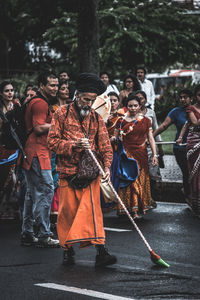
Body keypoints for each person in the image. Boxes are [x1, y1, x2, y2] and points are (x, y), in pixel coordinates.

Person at [47, 72, 117, 267]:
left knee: (93, 214)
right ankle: (67, 251)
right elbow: (51, 142)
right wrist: (73, 145)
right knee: (67, 215)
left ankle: (101, 252)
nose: (89, 103)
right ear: (77, 95)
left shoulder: (96, 118)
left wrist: (108, 168)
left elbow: (105, 147)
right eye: (86, 99)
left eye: (92, 100)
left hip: (91, 174)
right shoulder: (61, 113)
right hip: (68, 173)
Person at [20, 71, 60, 248]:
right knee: (46, 191)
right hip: (38, 153)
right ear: (42, 85)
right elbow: (38, 127)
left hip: (33, 152)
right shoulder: (40, 103)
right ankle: (44, 234)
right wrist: (59, 125)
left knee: (31, 194)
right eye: (52, 85)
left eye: (56, 85)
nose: (55, 88)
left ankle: (28, 232)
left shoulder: (36, 101)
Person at [113, 93, 158, 219]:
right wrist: (113, 139)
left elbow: (150, 138)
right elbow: (115, 137)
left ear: (140, 106)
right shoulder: (121, 121)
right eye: (130, 106)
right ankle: (129, 209)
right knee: (130, 181)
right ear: (126, 106)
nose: (133, 108)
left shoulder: (146, 121)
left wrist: (155, 155)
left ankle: (137, 209)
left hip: (142, 154)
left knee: (140, 181)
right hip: (127, 155)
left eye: (135, 106)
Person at [153, 89, 193, 200]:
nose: (183, 99)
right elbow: (164, 126)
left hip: (195, 146)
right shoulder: (176, 111)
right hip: (180, 148)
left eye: (185, 97)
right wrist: (151, 137)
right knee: (187, 172)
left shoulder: (195, 110)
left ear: (191, 98)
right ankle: (188, 196)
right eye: (181, 97)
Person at [135, 90, 163, 206]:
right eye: (137, 98)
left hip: (150, 149)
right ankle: (140, 199)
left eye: (141, 98)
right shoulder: (131, 113)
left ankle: (149, 197)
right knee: (138, 174)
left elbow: (156, 130)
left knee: (151, 174)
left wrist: (159, 147)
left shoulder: (151, 113)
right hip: (136, 149)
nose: (140, 101)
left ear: (145, 100)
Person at [177, 85, 200, 217]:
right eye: (199, 95)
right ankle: (197, 205)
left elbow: (186, 124)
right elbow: (195, 124)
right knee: (196, 175)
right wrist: (181, 137)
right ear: (195, 97)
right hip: (195, 144)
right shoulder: (190, 109)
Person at [0, 81, 18, 219]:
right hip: (1, 146)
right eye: (7, 91)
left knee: (11, 179)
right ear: (1, 93)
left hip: (13, 147)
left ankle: (7, 207)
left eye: (12, 90)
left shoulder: (16, 106)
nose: (10, 93)